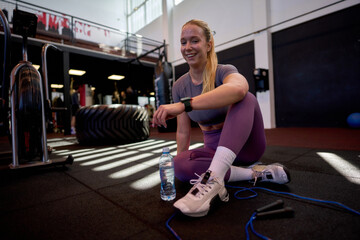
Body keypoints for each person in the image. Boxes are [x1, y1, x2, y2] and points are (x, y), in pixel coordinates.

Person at [152, 19, 290, 217]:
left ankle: (214, 178)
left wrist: (184, 104)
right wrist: (182, 161)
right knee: (178, 164)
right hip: (213, 149)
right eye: (183, 42)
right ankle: (255, 173)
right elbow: (183, 130)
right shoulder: (179, 86)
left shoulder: (223, 71)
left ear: (208, 45)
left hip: (246, 147)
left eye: (194, 41)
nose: (188, 47)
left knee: (245, 97)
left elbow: (239, 88)